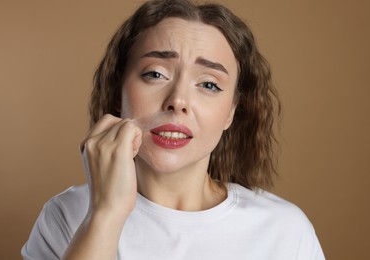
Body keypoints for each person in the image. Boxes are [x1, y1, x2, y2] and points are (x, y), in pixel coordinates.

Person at [22, 0, 325, 259]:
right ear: (118, 93)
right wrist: (105, 214)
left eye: (208, 84)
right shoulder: (65, 215)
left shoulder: (285, 231)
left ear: (231, 112)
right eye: (155, 74)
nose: (178, 101)